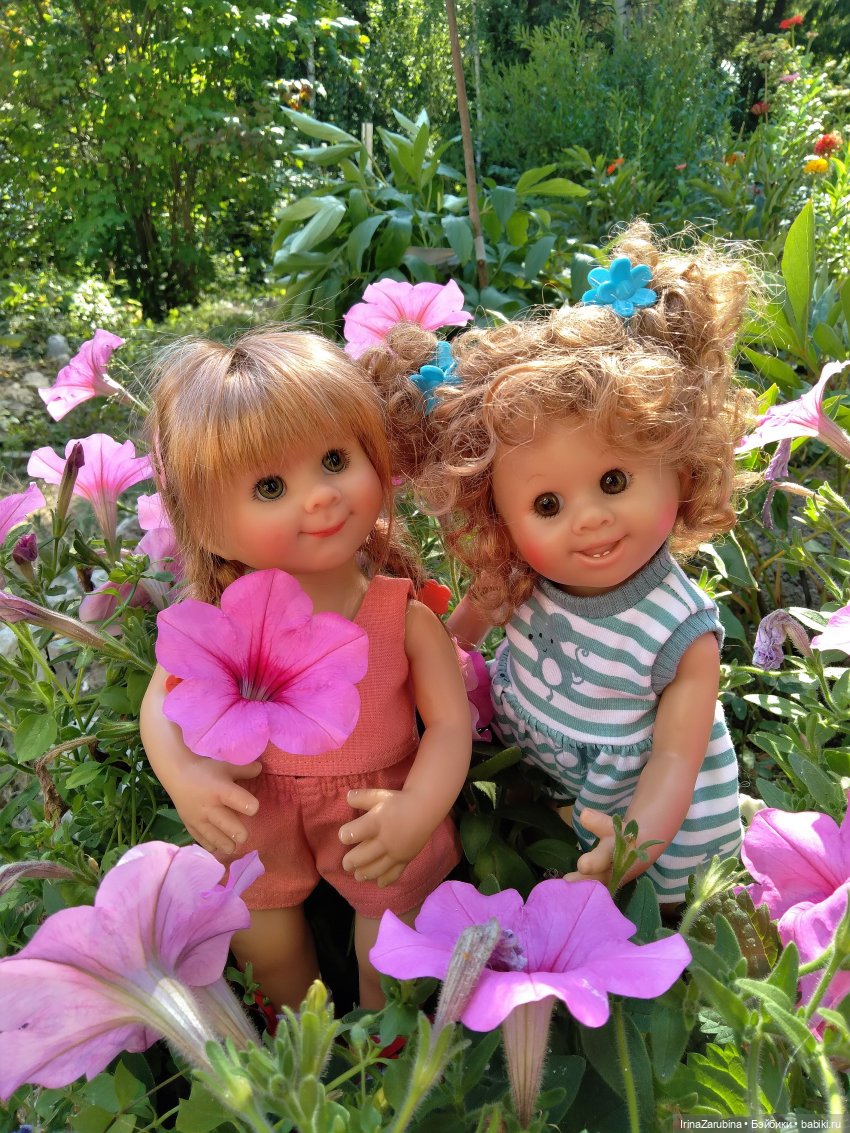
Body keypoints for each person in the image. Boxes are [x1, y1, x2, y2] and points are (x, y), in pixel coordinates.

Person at [418, 222, 757, 904]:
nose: (590, 518)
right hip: (539, 778)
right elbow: (453, 643)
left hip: (643, 819)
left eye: (613, 481)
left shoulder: (681, 633)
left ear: (680, 463)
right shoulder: (518, 575)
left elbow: (674, 759)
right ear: (500, 516)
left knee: (660, 915)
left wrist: (634, 844)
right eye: (547, 503)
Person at [139, 328, 471, 1012]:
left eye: (334, 459)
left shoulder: (401, 615)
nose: (319, 496)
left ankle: (387, 1051)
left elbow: (449, 725)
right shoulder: (218, 619)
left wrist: (418, 810)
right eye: (270, 486)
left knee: (394, 936)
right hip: (255, 800)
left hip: (376, 804)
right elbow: (159, 706)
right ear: (207, 526)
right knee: (261, 934)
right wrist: (185, 777)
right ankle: (296, 1046)